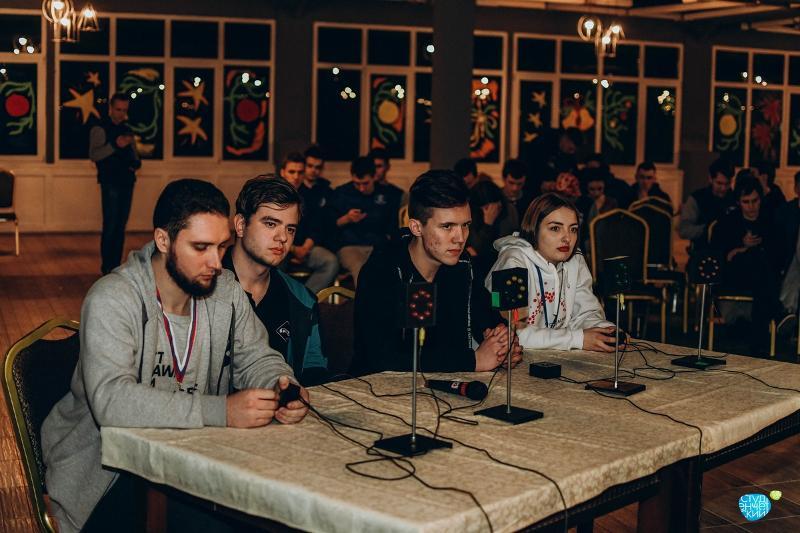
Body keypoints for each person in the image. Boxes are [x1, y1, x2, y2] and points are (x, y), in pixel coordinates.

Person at [41, 179, 308, 533]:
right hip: (106, 483)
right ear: (163, 240)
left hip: (189, 468)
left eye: (221, 246)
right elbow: (111, 401)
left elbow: (258, 356)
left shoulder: (225, 291)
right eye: (200, 247)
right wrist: (222, 411)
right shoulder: (113, 298)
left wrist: (280, 383)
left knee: (276, 514)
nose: (216, 262)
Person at [352, 170, 521, 375]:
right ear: (416, 227)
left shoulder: (462, 264)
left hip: (450, 386)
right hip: (377, 388)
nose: (460, 238)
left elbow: (488, 317)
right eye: (447, 226)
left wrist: (503, 343)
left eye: (465, 225)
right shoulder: (381, 270)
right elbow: (381, 357)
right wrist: (472, 360)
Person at [223, 176, 329, 385]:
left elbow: (314, 371)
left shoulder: (303, 300)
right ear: (241, 225)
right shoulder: (201, 287)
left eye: (290, 229)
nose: (283, 237)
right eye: (271, 224)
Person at [488, 193, 617, 351]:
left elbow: (585, 312)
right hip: (505, 358)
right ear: (534, 229)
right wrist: (578, 339)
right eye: (555, 228)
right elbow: (513, 333)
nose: (567, 238)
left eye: (573, 229)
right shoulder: (512, 262)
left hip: (555, 354)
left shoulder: (575, 259)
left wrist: (606, 331)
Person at [711, 176, 780, 354]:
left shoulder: (769, 220)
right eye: (746, 202)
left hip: (762, 275)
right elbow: (720, 255)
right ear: (738, 202)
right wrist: (741, 247)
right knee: (754, 260)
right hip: (736, 275)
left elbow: (779, 254)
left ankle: (756, 335)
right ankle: (777, 316)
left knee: (760, 264)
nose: (751, 206)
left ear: (760, 200)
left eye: (755, 201)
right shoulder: (729, 221)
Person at [89, 92, 141, 275]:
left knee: (120, 227)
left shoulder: (127, 129)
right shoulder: (100, 128)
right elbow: (94, 155)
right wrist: (115, 145)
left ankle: (116, 266)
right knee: (110, 225)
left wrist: (135, 163)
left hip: (127, 181)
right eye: (118, 109)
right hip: (110, 181)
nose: (121, 114)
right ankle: (107, 267)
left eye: (124, 110)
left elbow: (135, 155)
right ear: (111, 108)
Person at [331, 156, 400, 284]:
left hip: (378, 246)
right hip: (350, 246)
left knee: (387, 270)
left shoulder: (386, 194)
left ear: (374, 177)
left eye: (365, 183)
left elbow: (393, 227)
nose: (361, 188)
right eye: (357, 184)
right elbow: (328, 225)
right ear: (352, 177)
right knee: (361, 269)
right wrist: (346, 219)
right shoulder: (341, 193)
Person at [282, 147, 340, 293]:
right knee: (273, 261)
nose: (296, 176)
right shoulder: (273, 194)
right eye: (291, 172)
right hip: (281, 246)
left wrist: (305, 249)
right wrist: (293, 249)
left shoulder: (310, 195)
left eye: (300, 172)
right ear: (283, 172)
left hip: (305, 247)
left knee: (330, 261)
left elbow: (316, 226)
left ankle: (303, 298)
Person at [678, 157, 736, 252]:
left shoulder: (736, 199)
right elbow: (684, 230)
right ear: (710, 178)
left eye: (727, 184)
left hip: (730, 253)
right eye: (719, 183)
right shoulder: (697, 198)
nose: (723, 188)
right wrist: (710, 229)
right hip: (703, 252)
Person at [466, 180, 519, 279]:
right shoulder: (472, 214)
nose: (492, 210)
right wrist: (488, 224)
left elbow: (508, 243)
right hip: (478, 268)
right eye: (486, 208)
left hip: (503, 265)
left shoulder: (509, 210)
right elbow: (475, 248)